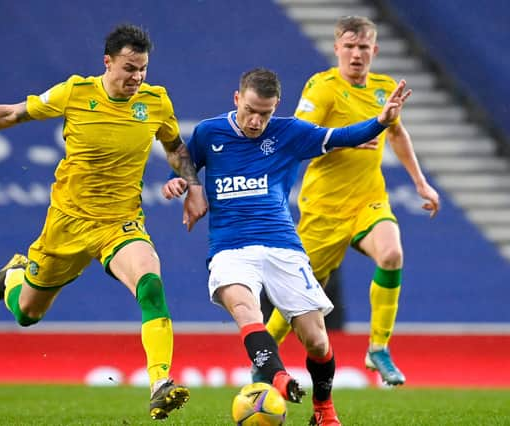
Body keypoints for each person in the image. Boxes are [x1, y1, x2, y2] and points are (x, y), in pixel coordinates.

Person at [0, 24, 207, 420]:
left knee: (150, 284)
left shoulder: (155, 102)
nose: (137, 77)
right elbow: (12, 113)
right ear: (108, 62)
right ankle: (15, 274)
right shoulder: (75, 93)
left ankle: (160, 384)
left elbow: (175, 148)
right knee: (27, 314)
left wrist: (193, 186)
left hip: (119, 223)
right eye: (129, 68)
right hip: (65, 225)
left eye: (143, 69)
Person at [162, 68, 411, 426]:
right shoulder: (209, 132)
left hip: (282, 246)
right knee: (247, 310)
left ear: (276, 106)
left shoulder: (290, 132)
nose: (255, 120)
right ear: (237, 99)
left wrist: (380, 121)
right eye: (250, 110)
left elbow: (341, 135)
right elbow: (185, 160)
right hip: (231, 247)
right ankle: (277, 377)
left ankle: (323, 410)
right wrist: (183, 184)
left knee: (317, 341)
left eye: (264, 113)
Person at [263, 16, 440, 386]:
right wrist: (348, 137)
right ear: (337, 49)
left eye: (363, 47)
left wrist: (421, 183)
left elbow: (398, 134)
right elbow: (297, 137)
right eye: (349, 46)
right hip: (324, 209)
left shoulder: (384, 88)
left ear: (374, 51)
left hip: (368, 201)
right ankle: (264, 358)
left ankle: (378, 348)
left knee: (392, 254)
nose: (356, 54)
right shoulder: (323, 87)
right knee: (296, 294)